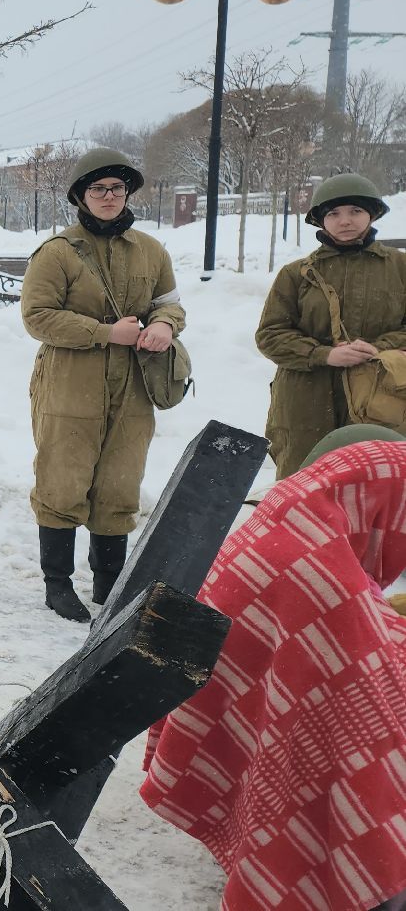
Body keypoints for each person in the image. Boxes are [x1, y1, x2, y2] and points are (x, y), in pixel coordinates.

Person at [139, 430, 406, 911]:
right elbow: (366, 692)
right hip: (305, 758)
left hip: (243, 728)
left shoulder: (291, 523)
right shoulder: (323, 577)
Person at [20, 148, 184, 622]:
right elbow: (37, 316)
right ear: (80, 196)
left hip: (132, 386)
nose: (109, 196)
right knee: (62, 478)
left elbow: (171, 304)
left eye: (116, 188)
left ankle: (109, 582)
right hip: (70, 384)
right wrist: (105, 333)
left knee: (120, 481)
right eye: (98, 188)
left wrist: (166, 327)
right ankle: (57, 584)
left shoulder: (151, 250)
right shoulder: (57, 252)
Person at [255, 172, 406, 478]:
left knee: (375, 485)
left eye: (355, 211)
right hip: (305, 400)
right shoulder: (295, 274)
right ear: (320, 221)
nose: (345, 221)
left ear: (372, 214)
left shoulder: (400, 267)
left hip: (380, 399)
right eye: (333, 213)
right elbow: (270, 334)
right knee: (303, 485)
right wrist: (323, 354)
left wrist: (379, 348)